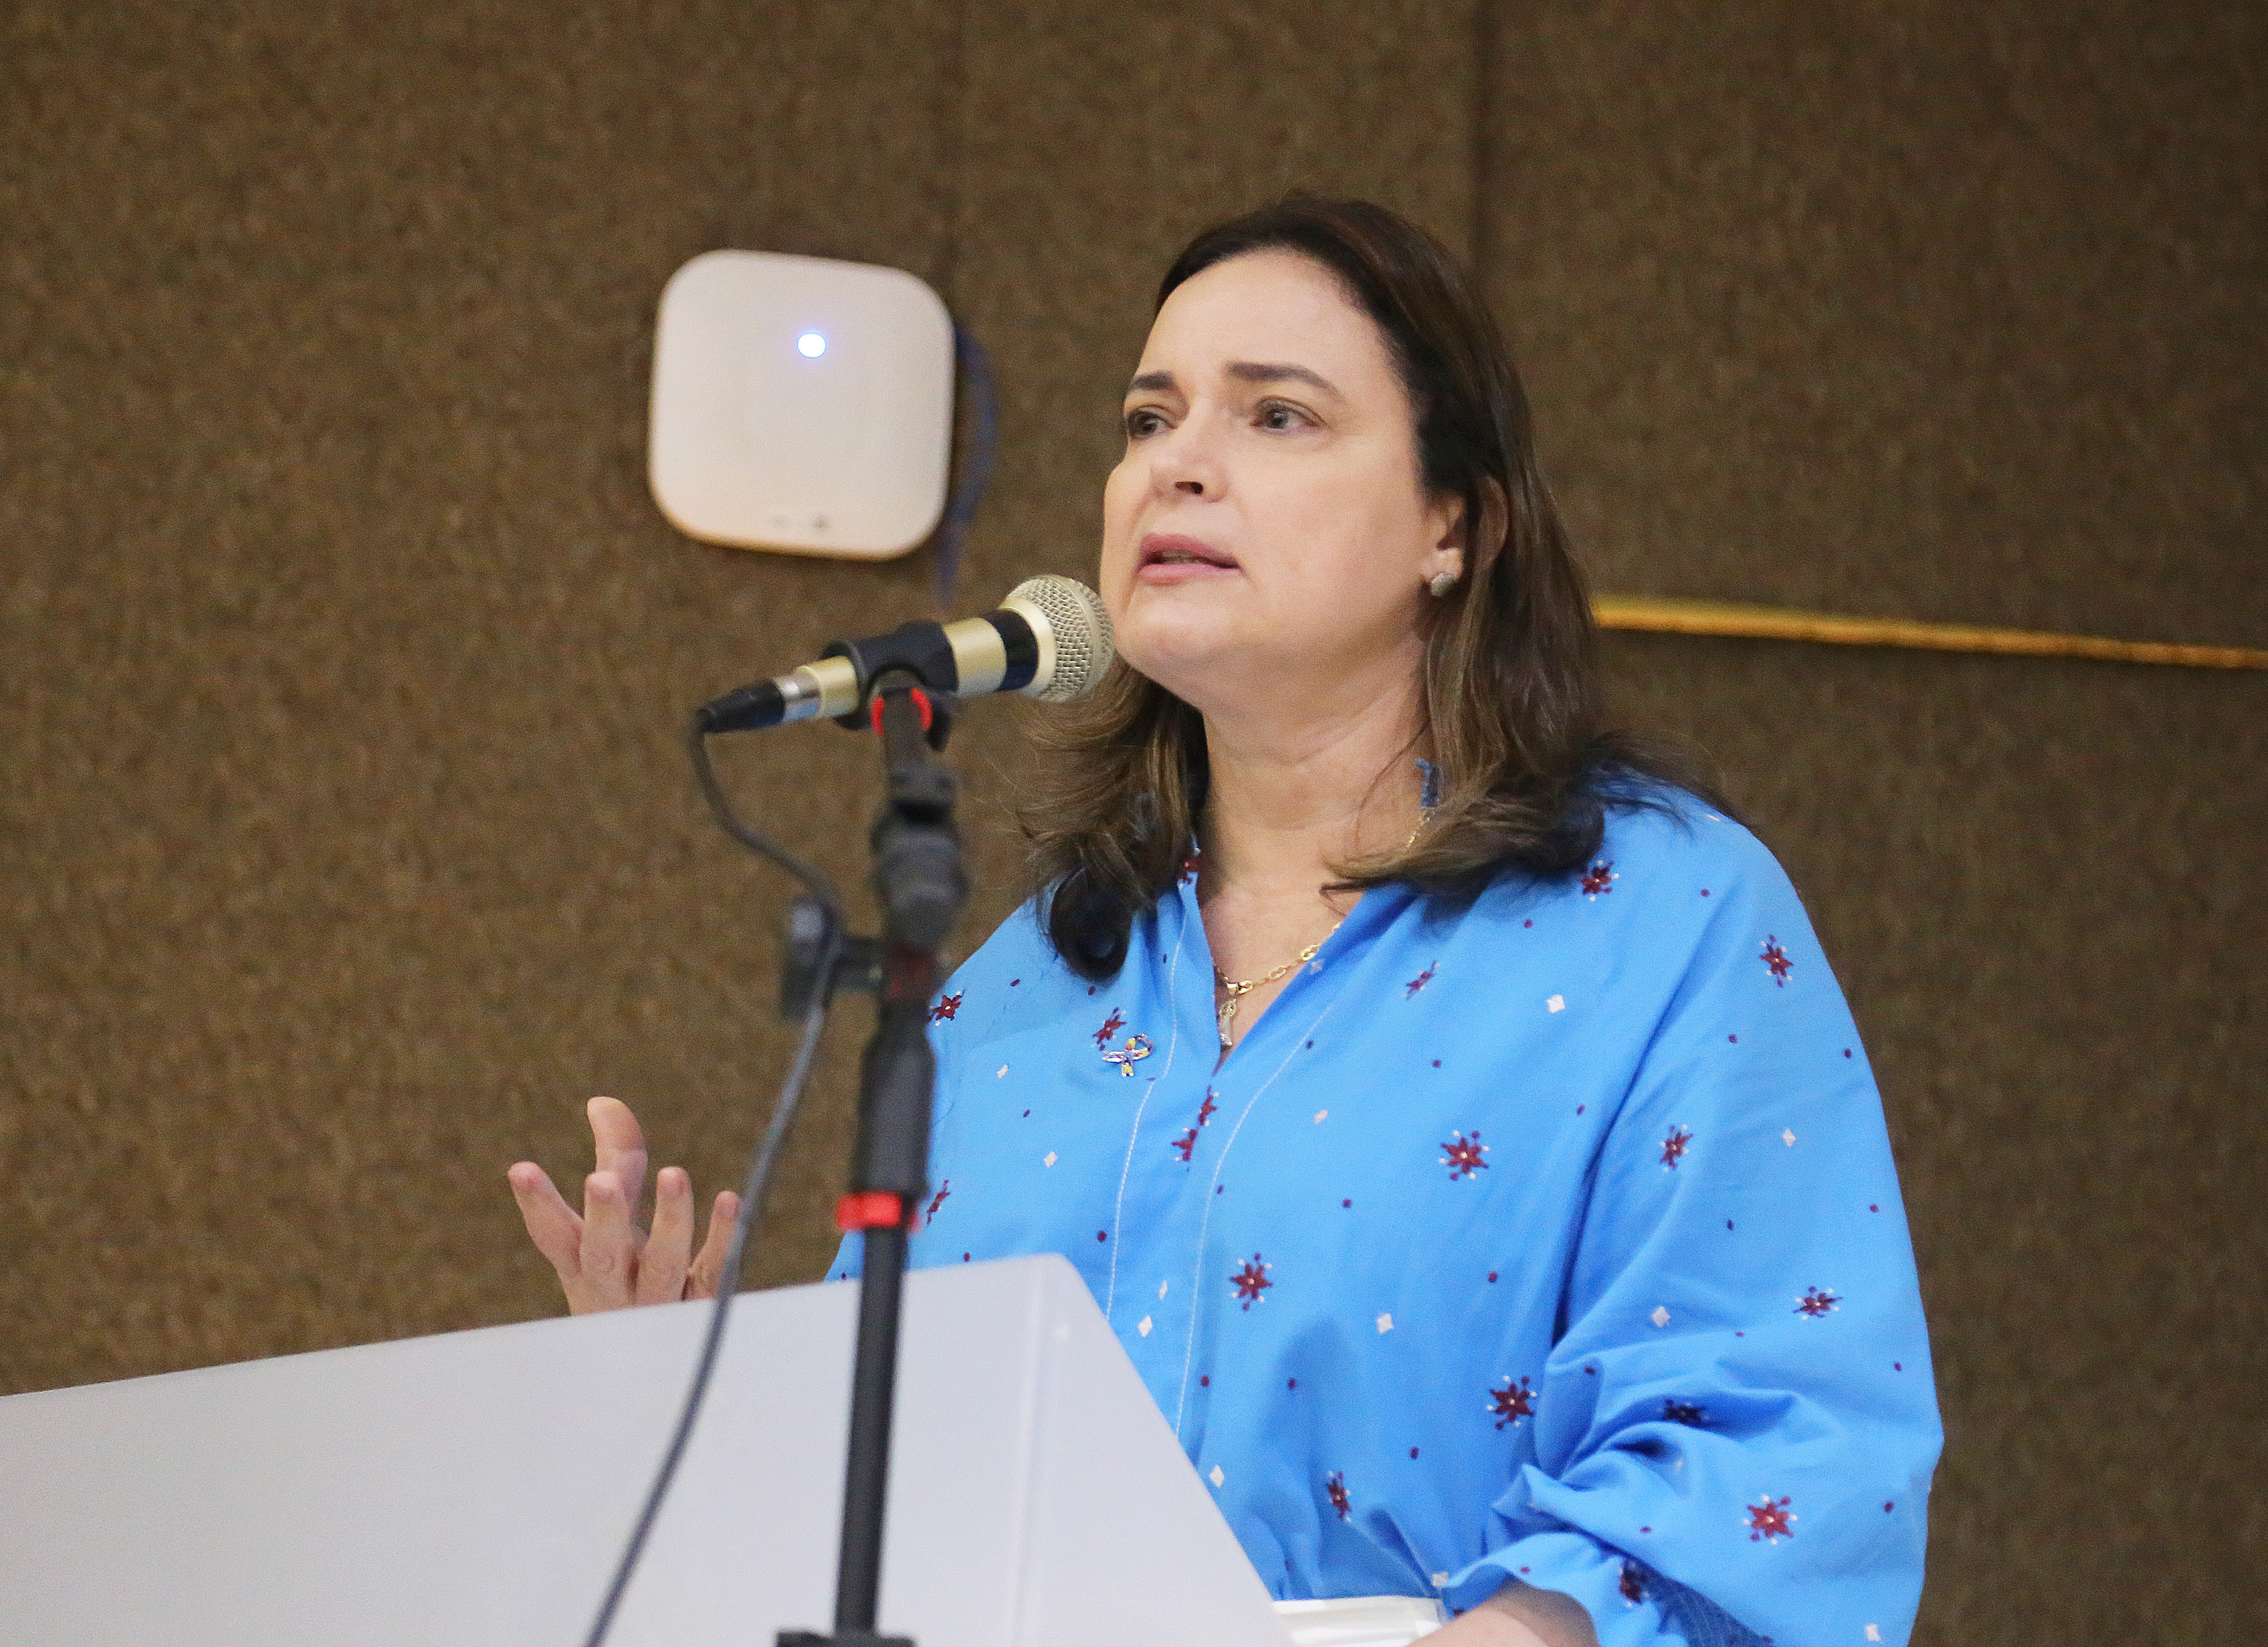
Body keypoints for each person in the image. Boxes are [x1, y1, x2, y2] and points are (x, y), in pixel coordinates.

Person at [510, 196, 1942, 1647]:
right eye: (1149, 419)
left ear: (1454, 525)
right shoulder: (1016, 984)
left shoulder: (1660, 921)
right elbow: (891, 1512)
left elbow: (1780, 1449)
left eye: (1278, 417)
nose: (1176, 465)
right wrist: (684, 1412)